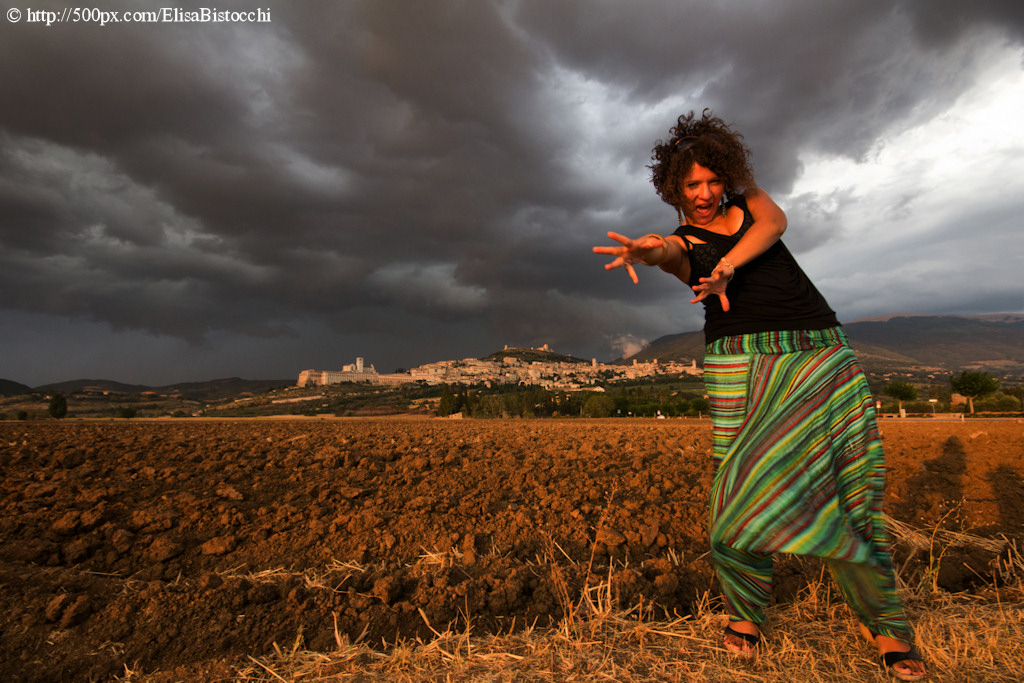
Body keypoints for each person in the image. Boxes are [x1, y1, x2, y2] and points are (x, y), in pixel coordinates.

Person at [593, 110, 927, 681]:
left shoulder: (754, 205)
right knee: (739, 488)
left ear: (728, 177)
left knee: (851, 483)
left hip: (818, 350)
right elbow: (667, 253)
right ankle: (746, 612)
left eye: (711, 181)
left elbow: (774, 226)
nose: (702, 194)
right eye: (689, 185)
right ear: (674, 190)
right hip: (740, 364)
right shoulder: (683, 242)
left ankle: (884, 624)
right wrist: (648, 250)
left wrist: (725, 268)